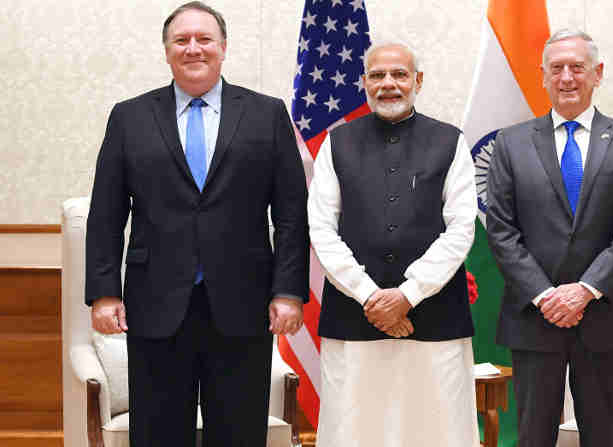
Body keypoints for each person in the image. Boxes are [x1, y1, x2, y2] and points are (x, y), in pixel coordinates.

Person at [84, 2, 310, 445]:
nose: (193, 49)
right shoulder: (129, 116)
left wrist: (288, 291)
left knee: (239, 429)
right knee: (159, 431)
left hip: (244, 303)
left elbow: (290, 214)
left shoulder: (267, 114)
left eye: (204, 39)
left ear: (223, 48)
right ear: (166, 51)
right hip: (156, 303)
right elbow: (107, 212)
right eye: (181, 40)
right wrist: (105, 291)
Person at [486, 28, 613, 447]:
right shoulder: (511, 144)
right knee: (532, 436)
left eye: (577, 68)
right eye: (556, 68)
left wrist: (584, 291)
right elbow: (501, 230)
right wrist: (547, 296)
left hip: (604, 314)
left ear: (597, 73)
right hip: (533, 315)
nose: (566, 78)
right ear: (542, 76)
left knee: (600, 435)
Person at [307, 40, 480, 447]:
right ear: (363, 82)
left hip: (435, 317)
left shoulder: (450, 141)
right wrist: (372, 297)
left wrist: (407, 294)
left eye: (400, 74)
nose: (389, 84)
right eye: (378, 75)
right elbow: (322, 229)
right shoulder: (337, 143)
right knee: (355, 430)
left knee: (437, 430)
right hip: (354, 317)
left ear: (418, 80)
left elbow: (460, 230)